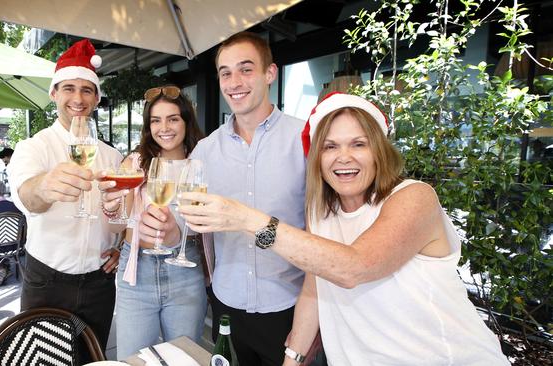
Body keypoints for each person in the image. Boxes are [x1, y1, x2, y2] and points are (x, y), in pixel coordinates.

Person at [178, 92, 510, 365]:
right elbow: (314, 283)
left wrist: (246, 219)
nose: (343, 157)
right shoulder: (322, 212)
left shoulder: (414, 198)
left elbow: (354, 266)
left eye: (358, 144)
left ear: (380, 150)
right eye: (330, 146)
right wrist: (292, 357)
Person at [139, 32, 307, 366]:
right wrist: (168, 230)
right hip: (227, 304)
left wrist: (309, 326)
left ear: (269, 73)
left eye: (246, 69)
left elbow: (322, 228)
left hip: (290, 306)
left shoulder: (304, 140)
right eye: (225, 73)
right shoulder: (205, 150)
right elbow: (188, 226)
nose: (234, 82)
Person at [7, 38, 123, 353]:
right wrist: (44, 187)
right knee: (42, 358)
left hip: (99, 283)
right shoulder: (34, 147)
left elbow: (120, 213)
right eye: (69, 88)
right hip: (48, 281)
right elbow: (28, 195)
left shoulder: (111, 156)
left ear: (97, 98)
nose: (78, 98)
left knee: (93, 355)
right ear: (54, 93)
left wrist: (120, 245)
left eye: (87, 90)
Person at [101, 86, 206, 360]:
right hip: (137, 270)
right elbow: (117, 225)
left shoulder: (201, 161)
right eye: (156, 120)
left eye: (173, 118)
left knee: (185, 358)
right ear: (148, 126)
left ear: (186, 120)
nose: (164, 128)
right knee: (132, 360)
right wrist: (112, 209)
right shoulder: (136, 162)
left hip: (186, 269)